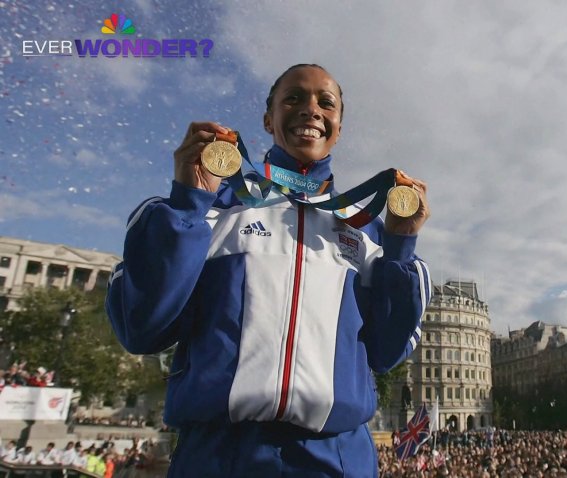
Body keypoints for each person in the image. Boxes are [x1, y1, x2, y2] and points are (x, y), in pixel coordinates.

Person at [106, 64, 431, 477]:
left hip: (337, 458)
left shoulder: (367, 229)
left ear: (338, 127)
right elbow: (141, 327)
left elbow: (386, 353)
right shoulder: (214, 207)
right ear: (267, 119)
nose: (311, 109)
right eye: (293, 97)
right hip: (220, 456)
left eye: (325, 102)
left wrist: (400, 248)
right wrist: (187, 204)